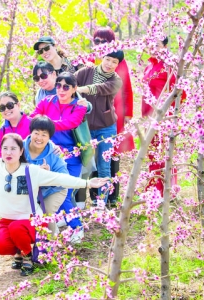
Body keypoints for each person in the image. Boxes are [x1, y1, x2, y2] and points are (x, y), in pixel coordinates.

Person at [0, 133, 108, 276]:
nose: (9, 152)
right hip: (7, 220)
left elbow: (59, 178)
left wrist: (88, 184)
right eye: (5, 148)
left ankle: (27, 255)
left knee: (16, 228)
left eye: (13, 148)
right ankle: (19, 250)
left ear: (21, 151)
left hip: (32, 221)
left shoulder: (31, 171)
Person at [80, 27, 135, 206]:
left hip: (114, 111)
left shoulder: (118, 61)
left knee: (111, 154)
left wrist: (128, 113)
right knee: (93, 156)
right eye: (97, 41)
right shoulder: (89, 61)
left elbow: (126, 88)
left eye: (105, 41)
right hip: (91, 114)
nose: (101, 45)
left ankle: (111, 196)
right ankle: (96, 196)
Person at [30, 72, 88, 227]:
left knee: (65, 193)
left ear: (74, 88)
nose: (61, 90)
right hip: (50, 154)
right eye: (58, 85)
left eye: (66, 86)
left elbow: (71, 123)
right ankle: (61, 226)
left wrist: (45, 123)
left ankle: (76, 227)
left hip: (71, 155)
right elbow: (33, 118)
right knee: (52, 194)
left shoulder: (79, 105)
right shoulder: (46, 102)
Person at [74, 51, 124, 206]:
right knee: (81, 163)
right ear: (102, 58)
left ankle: (102, 202)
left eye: (114, 62)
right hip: (85, 127)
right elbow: (70, 81)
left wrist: (80, 90)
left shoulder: (116, 80)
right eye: (107, 59)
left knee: (104, 165)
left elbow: (99, 89)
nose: (109, 64)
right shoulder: (87, 71)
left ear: (118, 64)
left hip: (106, 127)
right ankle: (76, 201)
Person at [24, 115, 83, 239]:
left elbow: (64, 178)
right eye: (36, 133)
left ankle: (49, 245)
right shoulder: (20, 148)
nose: (39, 138)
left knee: (46, 213)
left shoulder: (54, 153)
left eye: (44, 135)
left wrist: (48, 175)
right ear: (31, 133)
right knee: (26, 215)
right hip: (29, 190)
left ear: (49, 137)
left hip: (54, 190)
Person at [142, 37, 183, 195]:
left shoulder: (170, 65)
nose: (153, 48)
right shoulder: (150, 64)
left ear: (165, 46)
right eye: (150, 44)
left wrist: (169, 113)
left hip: (164, 117)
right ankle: (154, 185)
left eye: (157, 45)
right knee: (152, 151)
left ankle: (166, 188)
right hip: (150, 116)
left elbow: (180, 91)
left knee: (164, 151)